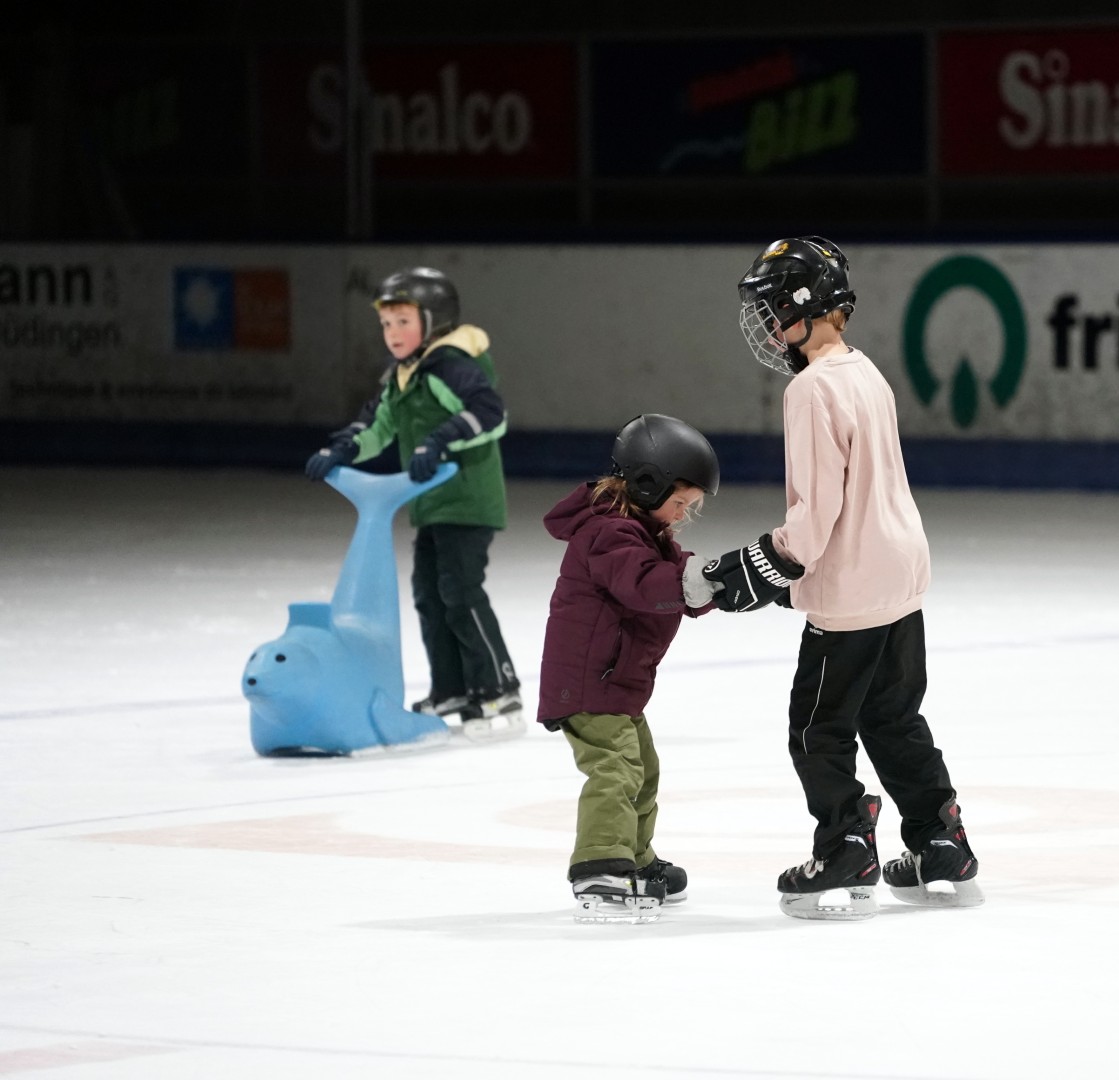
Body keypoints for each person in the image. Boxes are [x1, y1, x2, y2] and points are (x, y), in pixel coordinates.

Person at [704, 237, 983, 921]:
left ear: (803, 308)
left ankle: (845, 847)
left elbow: (815, 516)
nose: (770, 327)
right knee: (893, 716)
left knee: (817, 729)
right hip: (901, 572)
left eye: (774, 311)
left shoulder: (811, 389)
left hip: (854, 585)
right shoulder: (865, 370)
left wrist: (755, 565)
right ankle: (941, 841)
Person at [305, 267, 524, 738]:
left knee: (460, 592)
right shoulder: (403, 376)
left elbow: (490, 412)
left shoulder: (451, 366)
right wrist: (341, 448)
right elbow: (377, 425)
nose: (392, 333)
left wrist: (439, 440)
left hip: (467, 499)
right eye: (386, 324)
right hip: (431, 505)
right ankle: (452, 688)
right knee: (429, 594)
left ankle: (498, 687)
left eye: (403, 321)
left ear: (434, 321)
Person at [538, 414, 721, 923]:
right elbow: (646, 585)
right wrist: (694, 583)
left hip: (615, 683)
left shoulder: (644, 531)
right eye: (680, 502)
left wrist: (723, 582)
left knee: (643, 768)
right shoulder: (608, 533)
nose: (682, 515)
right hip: (588, 683)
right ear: (646, 484)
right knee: (615, 769)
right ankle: (600, 864)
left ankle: (635, 857)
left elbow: (677, 580)